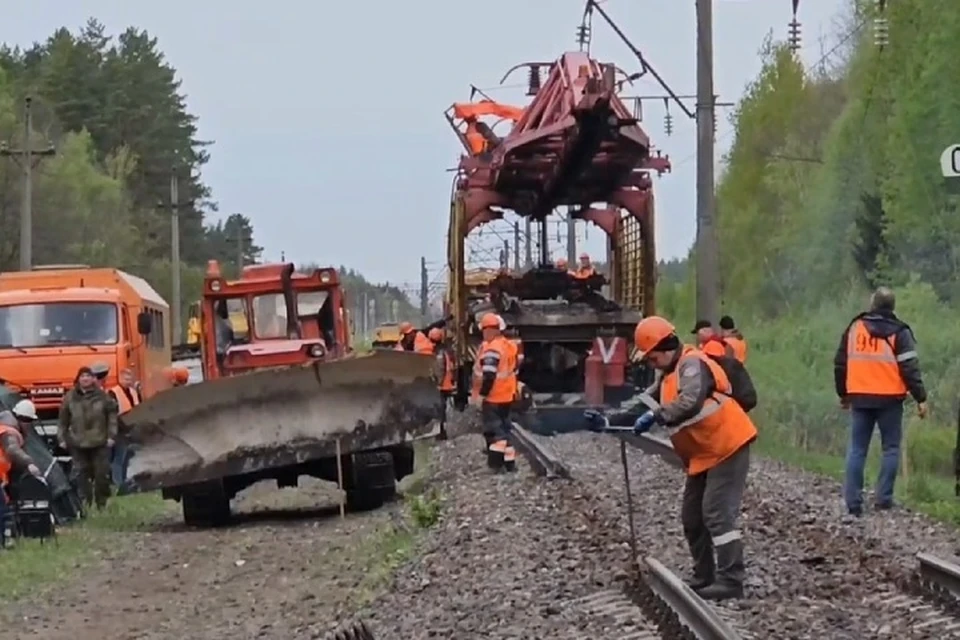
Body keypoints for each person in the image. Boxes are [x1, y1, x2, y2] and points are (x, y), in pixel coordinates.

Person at [585, 316, 757, 600]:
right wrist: (608, 420)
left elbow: (690, 400)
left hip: (728, 445)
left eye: (651, 358)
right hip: (704, 453)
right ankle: (704, 576)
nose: (651, 364)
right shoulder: (667, 374)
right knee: (691, 517)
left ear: (663, 348)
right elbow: (644, 403)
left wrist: (656, 416)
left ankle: (731, 580)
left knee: (716, 513)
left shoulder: (691, 363)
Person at [834, 286, 927, 516]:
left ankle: (853, 502)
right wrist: (921, 398)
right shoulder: (900, 332)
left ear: (872, 304)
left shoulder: (855, 327)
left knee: (857, 449)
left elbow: (840, 363)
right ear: (892, 307)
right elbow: (910, 369)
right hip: (890, 400)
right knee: (891, 448)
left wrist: (843, 394)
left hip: (860, 398)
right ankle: (884, 499)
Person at [58, 366, 118, 510]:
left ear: (93, 379)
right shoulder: (70, 397)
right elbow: (63, 420)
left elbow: (112, 417)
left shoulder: (103, 396)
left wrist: (112, 435)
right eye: (82, 376)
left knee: (101, 474)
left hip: (100, 441)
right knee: (81, 475)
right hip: (77, 442)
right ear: (78, 379)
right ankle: (85, 504)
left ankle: (102, 503)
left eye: (88, 376)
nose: (85, 379)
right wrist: (61, 439)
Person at [471, 312, 519, 471]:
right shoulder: (508, 345)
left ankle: (496, 465)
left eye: (484, 330)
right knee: (506, 430)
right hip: (507, 395)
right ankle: (510, 464)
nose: (483, 334)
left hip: (494, 397)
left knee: (495, 432)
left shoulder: (492, 349)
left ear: (488, 330)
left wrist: (482, 395)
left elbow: (489, 375)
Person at [108, 368, 141, 493]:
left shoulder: (133, 392)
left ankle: (126, 482)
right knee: (118, 459)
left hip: (131, 429)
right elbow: (112, 414)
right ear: (120, 379)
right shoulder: (113, 393)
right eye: (126, 379)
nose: (128, 381)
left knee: (128, 457)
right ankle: (118, 484)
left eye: (130, 379)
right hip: (119, 430)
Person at [428, 327, 455, 441]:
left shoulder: (438, 353)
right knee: (442, 409)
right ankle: (441, 432)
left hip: (442, 385)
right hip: (447, 384)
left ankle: (441, 433)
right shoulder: (446, 350)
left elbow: (440, 369)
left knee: (439, 410)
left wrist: (437, 384)